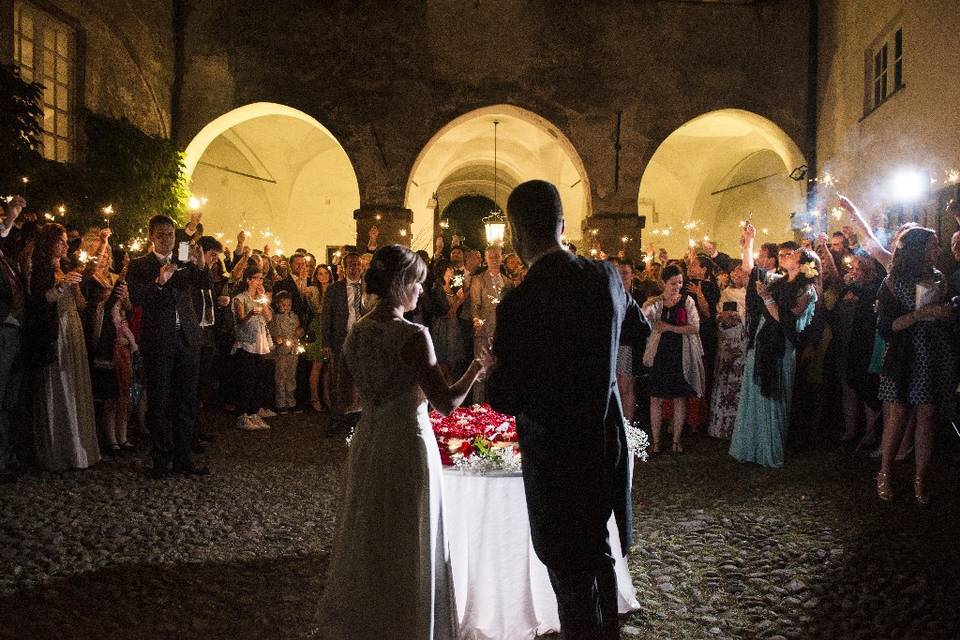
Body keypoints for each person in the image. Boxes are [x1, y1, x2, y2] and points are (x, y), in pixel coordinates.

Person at [487, 180, 635, 639]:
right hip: (603, 441)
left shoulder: (520, 302)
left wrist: (494, 368)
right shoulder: (606, 277)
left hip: (554, 452)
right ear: (563, 224)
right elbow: (637, 327)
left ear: (515, 235)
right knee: (599, 552)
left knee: (568, 571)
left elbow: (503, 396)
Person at [317, 244, 484, 639]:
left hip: (370, 440)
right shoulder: (413, 335)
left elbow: (342, 401)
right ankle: (407, 624)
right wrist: (478, 366)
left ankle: (367, 620)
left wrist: (377, 401)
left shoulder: (356, 332)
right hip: (408, 443)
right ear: (400, 284)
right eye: (418, 284)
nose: (422, 292)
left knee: (371, 531)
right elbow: (446, 403)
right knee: (408, 534)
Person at [875, 227, 956, 505]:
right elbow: (887, 327)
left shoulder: (939, 278)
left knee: (927, 416)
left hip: (933, 354)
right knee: (898, 414)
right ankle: (885, 471)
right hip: (905, 355)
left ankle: (920, 478)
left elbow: (943, 316)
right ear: (918, 249)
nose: (939, 251)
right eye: (933, 246)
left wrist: (946, 313)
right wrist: (921, 313)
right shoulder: (893, 282)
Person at [729, 224, 819, 468]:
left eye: (791, 255)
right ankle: (751, 449)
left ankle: (770, 452)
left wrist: (767, 299)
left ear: (802, 265)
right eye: (783, 255)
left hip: (781, 346)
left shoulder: (806, 290)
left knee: (775, 397)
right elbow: (751, 270)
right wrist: (748, 243)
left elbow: (787, 319)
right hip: (762, 341)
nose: (784, 256)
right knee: (755, 396)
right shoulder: (777, 281)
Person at [127, 214, 208, 477]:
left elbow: (204, 286)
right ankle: (161, 458)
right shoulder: (140, 265)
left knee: (187, 400)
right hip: (159, 340)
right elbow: (138, 298)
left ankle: (184, 457)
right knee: (159, 401)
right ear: (151, 236)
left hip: (186, 337)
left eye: (171, 234)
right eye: (161, 234)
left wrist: (202, 266)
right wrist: (159, 281)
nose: (167, 239)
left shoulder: (183, 261)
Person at [28, 223, 100, 471]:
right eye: (61, 241)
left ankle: (79, 447)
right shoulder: (42, 269)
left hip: (73, 328)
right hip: (55, 330)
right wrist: (61, 286)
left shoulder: (66, 268)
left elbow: (80, 304)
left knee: (75, 383)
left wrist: (78, 283)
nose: (66, 245)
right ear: (49, 242)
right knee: (58, 383)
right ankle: (58, 450)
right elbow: (40, 300)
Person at [641, 264, 705, 454]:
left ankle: (676, 440)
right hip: (660, 353)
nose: (677, 286)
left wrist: (670, 328)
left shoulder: (687, 301)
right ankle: (656, 441)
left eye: (680, 282)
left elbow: (695, 327)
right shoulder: (656, 302)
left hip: (680, 353)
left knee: (679, 397)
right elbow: (645, 317)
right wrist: (646, 308)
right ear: (663, 283)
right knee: (656, 398)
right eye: (673, 283)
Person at [321, 252, 366, 434]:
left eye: (357, 264)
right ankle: (338, 417)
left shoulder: (368, 288)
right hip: (342, 337)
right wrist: (326, 342)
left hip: (363, 339)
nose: (354, 268)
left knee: (361, 378)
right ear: (345, 267)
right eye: (350, 265)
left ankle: (359, 417)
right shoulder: (335, 289)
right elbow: (327, 316)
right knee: (340, 378)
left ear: (362, 266)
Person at [0, 196, 26, 483]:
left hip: (14, 331)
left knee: (9, 400)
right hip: (3, 329)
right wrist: (11, 216)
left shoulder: (6, 260)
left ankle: (7, 457)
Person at [708, 261, 748, 439]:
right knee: (723, 379)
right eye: (733, 272)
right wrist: (722, 317)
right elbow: (717, 313)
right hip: (725, 340)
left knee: (737, 381)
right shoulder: (725, 292)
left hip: (740, 339)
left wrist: (737, 316)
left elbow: (749, 314)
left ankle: (737, 427)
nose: (736, 275)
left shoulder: (749, 293)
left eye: (740, 271)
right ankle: (720, 427)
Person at [231, 265, 274, 430]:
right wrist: (250, 314)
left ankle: (254, 413)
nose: (259, 281)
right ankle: (242, 415)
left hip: (260, 343)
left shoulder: (259, 297)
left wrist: (263, 300)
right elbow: (241, 320)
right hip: (246, 342)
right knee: (247, 380)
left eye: (261, 278)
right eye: (256, 278)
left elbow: (269, 317)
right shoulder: (240, 298)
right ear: (248, 279)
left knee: (258, 379)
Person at [469, 245, 512, 401]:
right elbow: (475, 305)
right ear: (485, 259)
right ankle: (478, 407)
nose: (494, 259)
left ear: (501, 259)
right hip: (484, 331)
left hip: (501, 333)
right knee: (480, 373)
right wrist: (476, 320)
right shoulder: (478, 280)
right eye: (491, 257)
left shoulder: (508, 282)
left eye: (497, 256)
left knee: (499, 372)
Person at [427, 260, 467, 381]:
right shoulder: (437, 290)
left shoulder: (453, 286)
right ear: (444, 270)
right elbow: (448, 312)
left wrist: (463, 295)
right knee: (442, 362)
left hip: (453, 326)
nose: (452, 270)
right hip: (442, 328)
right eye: (450, 268)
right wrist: (458, 300)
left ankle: (450, 387)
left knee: (452, 363)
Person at [304, 264, 333, 412]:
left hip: (331, 327)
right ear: (316, 276)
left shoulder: (334, 289)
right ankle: (314, 398)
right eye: (320, 274)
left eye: (325, 273)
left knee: (328, 366)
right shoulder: (314, 290)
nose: (323, 276)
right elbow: (305, 292)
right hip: (318, 326)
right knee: (317, 365)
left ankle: (327, 396)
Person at [269, 290, 302, 414]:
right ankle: (281, 403)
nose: (286, 307)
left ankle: (291, 401)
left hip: (293, 350)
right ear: (278, 304)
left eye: (289, 304)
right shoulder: (275, 318)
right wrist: (278, 338)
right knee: (280, 376)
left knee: (291, 376)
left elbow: (298, 328)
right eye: (283, 304)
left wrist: (299, 331)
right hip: (281, 351)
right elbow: (273, 332)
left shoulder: (294, 316)